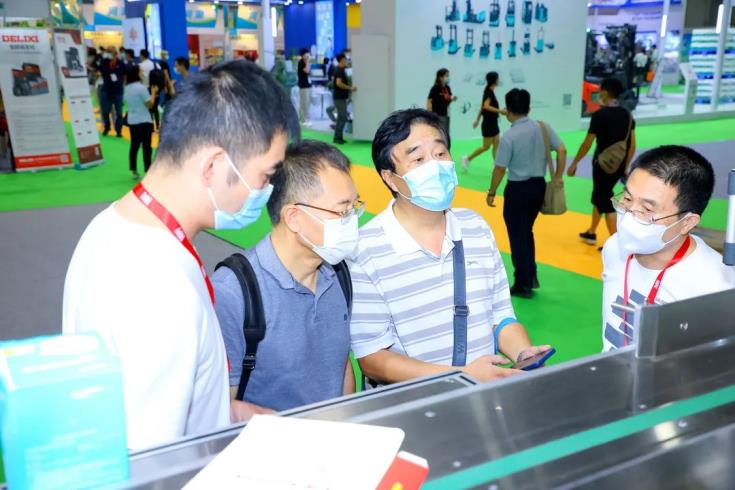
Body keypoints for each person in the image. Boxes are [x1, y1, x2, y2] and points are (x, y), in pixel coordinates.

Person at [62, 60, 299, 450]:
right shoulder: (157, 286)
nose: (266, 190)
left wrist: (228, 412)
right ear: (214, 166)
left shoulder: (117, 226)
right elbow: (149, 458)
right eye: (266, 175)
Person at [348, 108, 551, 385]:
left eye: (440, 153)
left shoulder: (475, 227)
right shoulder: (364, 250)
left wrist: (522, 352)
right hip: (414, 404)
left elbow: (500, 315)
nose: (435, 166)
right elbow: (372, 358)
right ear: (390, 177)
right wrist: (460, 376)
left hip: (481, 396)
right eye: (418, 159)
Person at [213, 140, 359, 421]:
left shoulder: (338, 275)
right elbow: (219, 408)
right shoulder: (234, 293)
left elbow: (340, 366)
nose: (352, 221)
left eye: (355, 207)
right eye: (342, 211)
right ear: (294, 217)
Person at [601, 145, 735, 351]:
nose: (629, 215)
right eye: (627, 199)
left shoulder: (716, 287)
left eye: (647, 209)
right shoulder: (614, 247)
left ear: (687, 223)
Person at [487, 89, 567, 298]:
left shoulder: (509, 136)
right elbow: (562, 150)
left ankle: (523, 282)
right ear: (529, 108)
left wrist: (492, 191)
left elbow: (500, 169)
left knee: (517, 236)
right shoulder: (543, 127)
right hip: (538, 187)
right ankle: (529, 277)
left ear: (507, 110)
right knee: (526, 232)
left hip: (517, 190)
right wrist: (557, 176)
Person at [568, 78, 636, 249]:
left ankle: (617, 243)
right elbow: (632, 144)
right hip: (619, 164)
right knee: (600, 195)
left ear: (605, 92)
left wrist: (575, 162)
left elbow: (588, 142)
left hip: (602, 164)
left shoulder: (599, 115)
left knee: (605, 200)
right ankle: (591, 231)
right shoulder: (627, 115)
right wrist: (625, 166)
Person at [462, 71, 506, 172]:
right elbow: (486, 106)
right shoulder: (488, 93)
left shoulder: (489, 91)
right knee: (486, 147)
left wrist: (477, 119)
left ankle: (497, 166)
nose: (499, 80)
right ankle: (467, 159)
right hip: (488, 124)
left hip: (493, 122)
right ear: (494, 80)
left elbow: (482, 107)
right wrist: (500, 111)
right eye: (498, 78)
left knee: (497, 144)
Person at [124, 65, 157, 180]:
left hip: (133, 121)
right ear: (137, 73)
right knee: (147, 147)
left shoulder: (127, 88)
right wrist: (153, 93)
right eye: (141, 71)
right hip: (144, 121)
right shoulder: (141, 88)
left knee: (134, 146)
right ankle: (148, 171)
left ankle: (133, 170)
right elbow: (150, 105)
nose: (143, 72)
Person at [426, 68, 457, 150]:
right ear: (440, 77)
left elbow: (447, 100)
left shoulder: (447, 88)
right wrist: (429, 113)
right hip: (436, 115)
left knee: (445, 134)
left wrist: (452, 99)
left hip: (446, 114)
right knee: (438, 134)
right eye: (446, 76)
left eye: (448, 76)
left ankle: (445, 151)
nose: (448, 77)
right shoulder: (435, 88)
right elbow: (429, 100)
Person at [99, 46, 125, 137]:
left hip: (118, 90)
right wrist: (105, 59)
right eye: (108, 52)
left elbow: (124, 74)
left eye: (112, 52)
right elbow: (101, 71)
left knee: (119, 112)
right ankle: (107, 127)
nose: (110, 54)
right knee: (105, 111)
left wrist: (122, 84)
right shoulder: (104, 62)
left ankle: (119, 130)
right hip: (106, 89)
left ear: (116, 53)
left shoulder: (120, 63)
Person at [332, 53, 356, 145]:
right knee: (342, 117)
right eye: (345, 59)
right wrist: (350, 88)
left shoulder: (342, 69)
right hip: (339, 97)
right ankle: (337, 137)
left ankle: (338, 137)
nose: (346, 61)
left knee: (341, 117)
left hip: (341, 97)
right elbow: (338, 83)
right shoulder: (339, 70)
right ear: (342, 60)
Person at [297, 48, 312, 126]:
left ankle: (306, 118)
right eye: (306, 54)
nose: (308, 55)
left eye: (308, 54)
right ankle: (303, 120)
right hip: (303, 86)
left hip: (308, 85)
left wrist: (308, 62)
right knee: (304, 103)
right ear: (303, 55)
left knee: (307, 103)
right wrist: (307, 62)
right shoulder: (301, 63)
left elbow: (309, 71)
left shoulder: (306, 62)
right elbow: (306, 70)